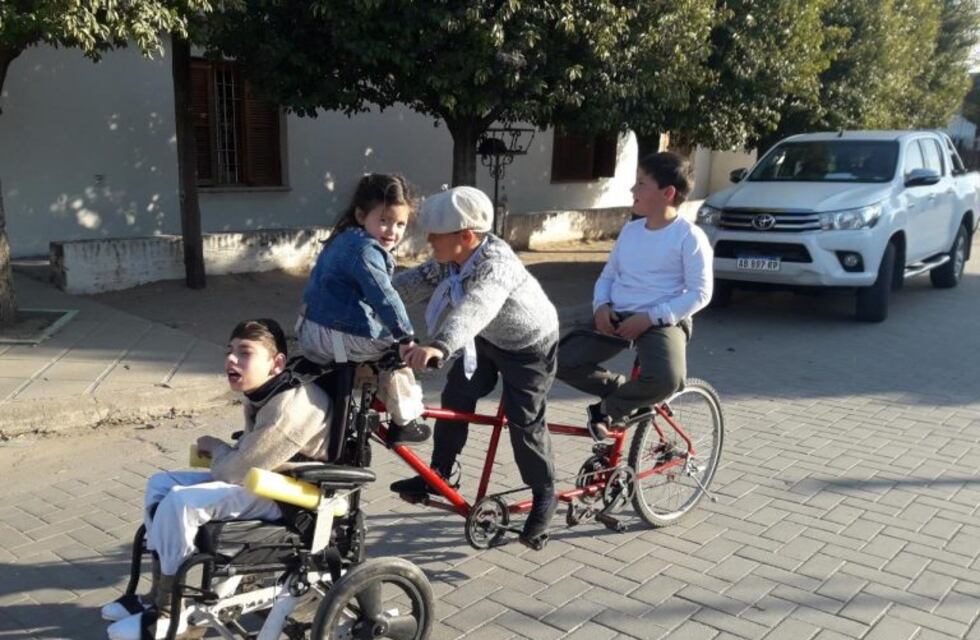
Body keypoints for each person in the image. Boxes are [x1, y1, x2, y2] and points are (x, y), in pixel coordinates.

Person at [101, 319, 332, 640]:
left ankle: (172, 614)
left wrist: (219, 448)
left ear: (277, 363)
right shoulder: (267, 391)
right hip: (265, 479)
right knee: (160, 484)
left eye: (245, 352)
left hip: (295, 496)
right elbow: (245, 464)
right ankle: (159, 594)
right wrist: (227, 453)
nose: (231, 360)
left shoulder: (291, 406)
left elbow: (233, 472)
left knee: (182, 502)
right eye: (230, 351)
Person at [389, 186, 561, 547]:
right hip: (487, 342)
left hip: (529, 348)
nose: (429, 240)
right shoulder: (452, 260)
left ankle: (545, 495)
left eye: (436, 235)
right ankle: (440, 472)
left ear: (465, 236)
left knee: (524, 420)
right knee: (456, 395)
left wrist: (439, 345)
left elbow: (477, 307)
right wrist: (365, 294)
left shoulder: (497, 266)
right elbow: (409, 284)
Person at [557, 152, 713, 440]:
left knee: (668, 379)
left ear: (668, 193)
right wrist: (601, 306)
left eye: (641, 184)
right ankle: (625, 394)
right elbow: (608, 275)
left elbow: (701, 293)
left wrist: (651, 317)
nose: (633, 191)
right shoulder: (630, 231)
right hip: (616, 315)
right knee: (560, 360)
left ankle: (608, 409)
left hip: (663, 321)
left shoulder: (689, 237)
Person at [296, 173, 428, 445]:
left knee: (380, 347)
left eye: (400, 224)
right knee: (396, 353)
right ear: (360, 215)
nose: (392, 231)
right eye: (384, 221)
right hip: (338, 338)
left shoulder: (341, 239)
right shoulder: (366, 250)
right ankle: (405, 420)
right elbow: (384, 296)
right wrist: (406, 337)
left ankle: (348, 408)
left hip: (312, 332)